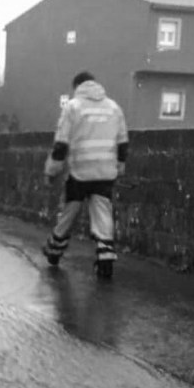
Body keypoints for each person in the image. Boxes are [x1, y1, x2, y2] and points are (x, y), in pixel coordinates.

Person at [43, 71, 129, 269]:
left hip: (79, 172)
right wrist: (121, 164)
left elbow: (61, 144)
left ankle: (54, 250)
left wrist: (51, 171)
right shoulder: (114, 107)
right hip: (105, 172)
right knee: (102, 213)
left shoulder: (73, 107)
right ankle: (106, 257)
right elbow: (123, 141)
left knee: (69, 211)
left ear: (77, 87)